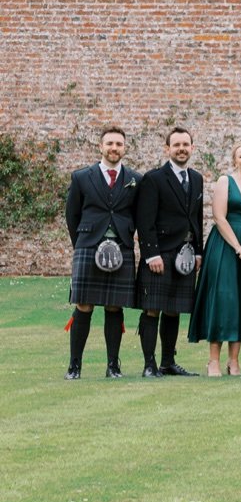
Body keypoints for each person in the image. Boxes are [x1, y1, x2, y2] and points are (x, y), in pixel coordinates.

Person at [64, 127, 141, 379]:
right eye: (110, 143)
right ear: (101, 146)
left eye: (119, 144)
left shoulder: (135, 179)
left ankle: (113, 366)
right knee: (84, 305)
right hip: (88, 245)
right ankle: (75, 366)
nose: (114, 148)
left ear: (124, 148)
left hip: (122, 246)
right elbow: (72, 214)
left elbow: (139, 214)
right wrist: (82, 245)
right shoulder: (82, 177)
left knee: (113, 305)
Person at [189, 142, 241, 376]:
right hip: (224, 246)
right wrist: (237, 246)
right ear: (235, 160)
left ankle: (233, 360)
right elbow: (218, 216)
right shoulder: (225, 181)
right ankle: (213, 360)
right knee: (223, 299)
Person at [133, 127, 205, 377]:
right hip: (160, 254)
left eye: (186, 144)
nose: (182, 149)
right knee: (152, 307)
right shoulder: (153, 179)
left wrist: (198, 251)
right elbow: (145, 220)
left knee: (174, 308)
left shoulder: (197, 178)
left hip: (185, 253)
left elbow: (197, 218)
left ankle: (167, 362)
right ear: (168, 149)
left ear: (192, 148)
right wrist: (151, 254)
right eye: (177, 145)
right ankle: (149, 364)